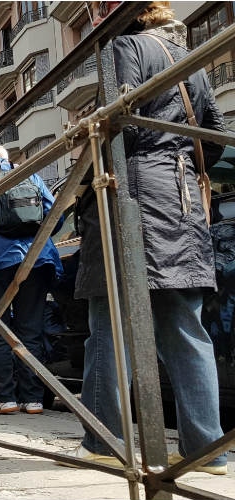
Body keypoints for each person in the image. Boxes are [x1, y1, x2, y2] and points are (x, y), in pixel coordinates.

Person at [66, 2, 228, 474]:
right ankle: (206, 449)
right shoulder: (187, 57)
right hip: (181, 201)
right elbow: (215, 134)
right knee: (185, 329)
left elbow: (122, 124)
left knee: (110, 325)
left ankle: (104, 440)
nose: (97, 14)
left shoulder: (124, 47)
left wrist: (86, 154)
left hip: (131, 196)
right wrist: (181, 162)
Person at [0, 144, 62, 415]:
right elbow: (57, 214)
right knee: (31, 329)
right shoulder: (30, 174)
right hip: (37, 260)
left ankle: (5, 398)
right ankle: (33, 399)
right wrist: (38, 239)